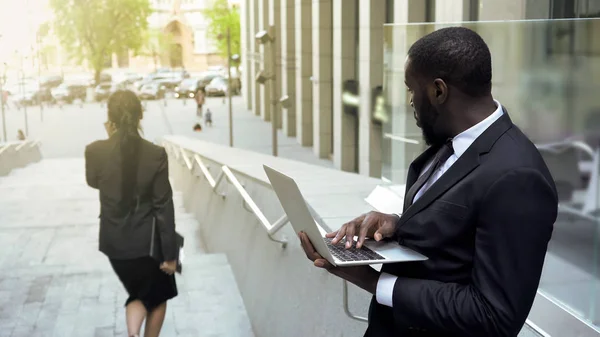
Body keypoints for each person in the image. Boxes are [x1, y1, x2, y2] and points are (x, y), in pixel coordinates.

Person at [298, 27, 558, 337]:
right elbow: (457, 231)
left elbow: (493, 316)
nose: (409, 101)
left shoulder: (519, 177)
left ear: (438, 91)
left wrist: (370, 280)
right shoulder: (451, 143)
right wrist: (396, 225)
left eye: (411, 89)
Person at [85, 90, 179, 337]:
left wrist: (111, 139)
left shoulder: (94, 151)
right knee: (158, 297)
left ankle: (133, 333)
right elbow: (163, 206)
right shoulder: (155, 154)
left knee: (139, 293)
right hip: (147, 247)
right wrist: (170, 255)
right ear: (140, 117)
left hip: (114, 245)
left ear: (110, 119)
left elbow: (94, 182)